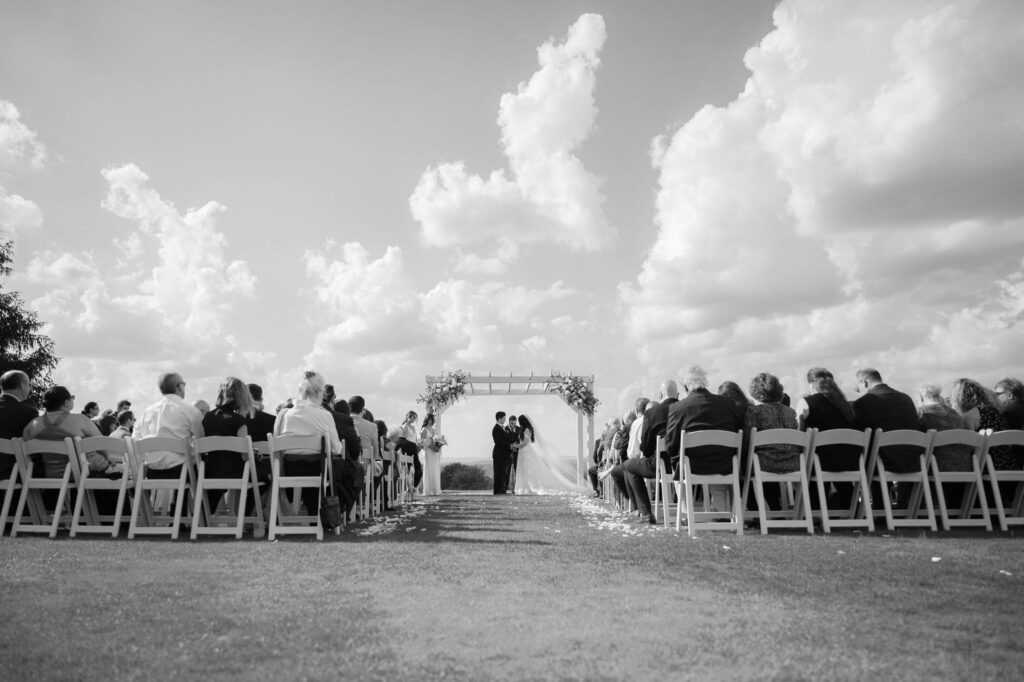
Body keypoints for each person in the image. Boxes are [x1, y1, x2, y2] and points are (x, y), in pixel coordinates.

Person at [274, 371, 342, 516]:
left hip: (287, 472)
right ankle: (326, 515)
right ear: (320, 392)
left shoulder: (284, 415)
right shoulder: (324, 415)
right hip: (318, 472)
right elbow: (336, 449)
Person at [613, 379, 679, 524]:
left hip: (661, 464)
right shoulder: (684, 408)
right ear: (678, 394)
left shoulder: (653, 412)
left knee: (629, 465)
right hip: (682, 464)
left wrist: (648, 452)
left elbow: (646, 447)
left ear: (660, 395)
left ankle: (645, 512)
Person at [794, 368, 860, 509]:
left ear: (811, 384)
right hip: (850, 461)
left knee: (809, 459)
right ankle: (848, 507)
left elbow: (799, 430)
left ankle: (814, 510)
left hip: (820, 463)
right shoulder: (846, 406)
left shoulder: (806, 402)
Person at [744, 373, 800, 510]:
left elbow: (747, 439)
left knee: (745, 462)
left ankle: (753, 511)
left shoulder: (754, 412)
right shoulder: (790, 412)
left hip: (764, 464)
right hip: (793, 462)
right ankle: (777, 507)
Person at [134, 372, 205, 479]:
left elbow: (135, 441)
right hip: (182, 472)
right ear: (179, 387)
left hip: (152, 472)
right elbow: (202, 443)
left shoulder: (147, 412)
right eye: (183, 384)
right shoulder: (191, 411)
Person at [851, 368, 921, 473]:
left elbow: (859, 434)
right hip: (914, 459)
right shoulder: (906, 398)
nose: (858, 390)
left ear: (864, 383)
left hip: (883, 462)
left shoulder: (862, 403)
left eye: (858, 387)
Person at [200, 377, 254, 514]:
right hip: (234, 472)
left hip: (210, 470)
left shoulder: (208, 417)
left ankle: (205, 515)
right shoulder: (238, 420)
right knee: (265, 477)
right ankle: (246, 516)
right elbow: (245, 456)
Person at [513, 415, 588, 496]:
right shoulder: (526, 429)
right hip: (523, 452)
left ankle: (527, 488)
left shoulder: (527, 429)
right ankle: (525, 487)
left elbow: (525, 442)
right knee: (524, 470)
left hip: (526, 451)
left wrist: (515, 446)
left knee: (528, 469)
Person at [950, 378, 1015, 469]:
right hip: (1010, 467)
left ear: (959, 398)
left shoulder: (969, 417)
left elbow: (970, 449)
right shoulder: (995, 412)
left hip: (988, 470)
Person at [0, 370, 38, 484]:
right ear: (22, 385)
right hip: (13, 473)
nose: (29, 388)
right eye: (29, 384)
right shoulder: (27, 412)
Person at [491, 411, 514, 495]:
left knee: (503, 473)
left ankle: (502, 489)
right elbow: (498, 442)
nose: (505, 419)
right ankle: (497, 490)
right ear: (500, 418)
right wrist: (509, 446)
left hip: (504, 454)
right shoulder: (496, 428)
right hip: (499, 454)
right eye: (504, 418)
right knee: (498, 472)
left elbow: (507, 438)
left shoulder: (502, 427)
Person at [421, 412, 443, 495]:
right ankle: (428, 490)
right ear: (426, 420)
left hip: (434, 452)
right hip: (428, 452)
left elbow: (435, 440)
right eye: (429, 419)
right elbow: (422, 443)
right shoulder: (423, 430)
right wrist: (429, 445)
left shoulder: (433, 430)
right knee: (428, 470)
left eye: (432, 419)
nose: (430, 421)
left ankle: (435, 489)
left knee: (435, 470)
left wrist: (438, 444)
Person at [399, 410, 422, 489]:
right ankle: (408, 487)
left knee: (415, 468)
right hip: (407, 450)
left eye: (415, 418)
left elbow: (415, 439)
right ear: (408, 416)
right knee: (408, 468)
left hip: (414, 448)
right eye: (413, 417)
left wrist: (418, 445)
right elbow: (403, 440)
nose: (414, 419)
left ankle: (414, 486)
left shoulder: (413, 427)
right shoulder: (404, 426)